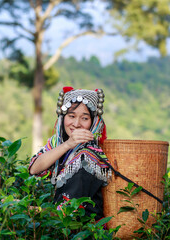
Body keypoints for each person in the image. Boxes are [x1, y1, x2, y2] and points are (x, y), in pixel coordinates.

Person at [29, 86, 112, 221]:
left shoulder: (88, 156)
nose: (76, 123)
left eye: (84, 118)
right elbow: (34, 168)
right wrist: (68, 144)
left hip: (83, 231)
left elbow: (68, 213)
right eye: (71, 116)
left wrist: (31, 210)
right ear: (63, 118)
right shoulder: (58, 143)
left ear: (93, 122)